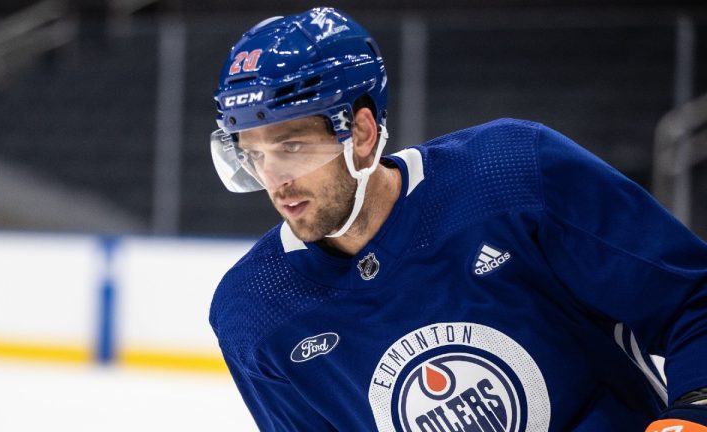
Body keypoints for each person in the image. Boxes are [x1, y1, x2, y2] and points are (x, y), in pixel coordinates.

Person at [208, 7, 707, 431]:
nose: (274, 180)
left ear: (360, 132)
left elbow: (693, 300)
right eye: (253, 155)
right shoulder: (253, 311)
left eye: (291, 147)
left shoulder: (512, 173)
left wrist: (695, 413)